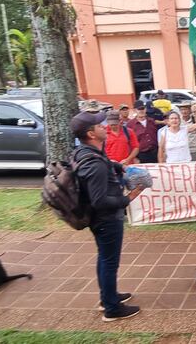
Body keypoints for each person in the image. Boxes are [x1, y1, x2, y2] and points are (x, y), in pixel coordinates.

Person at [70, 109, 144, 321]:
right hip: (106, 220)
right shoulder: (94, 163)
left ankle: (108, 297)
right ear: (91, 134)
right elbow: (100, 200)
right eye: (99, 125)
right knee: (110, 262)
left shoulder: (84, 152)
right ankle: (112, 309)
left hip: (100, 220)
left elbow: (99, 163)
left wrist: (115, 165)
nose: (104, 126)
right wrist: (128, 198)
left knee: (105, 259)